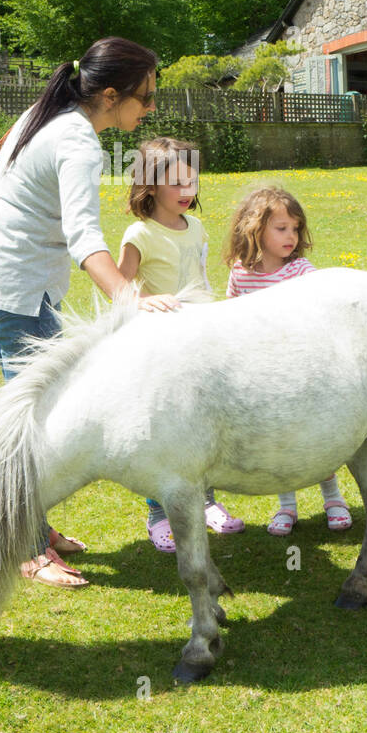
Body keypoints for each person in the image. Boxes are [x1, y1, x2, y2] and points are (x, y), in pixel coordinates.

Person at [0, 37, 176, 588]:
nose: (150, 109)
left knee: (40, 409)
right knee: (33, 424)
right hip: (11, 290)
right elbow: (85, 239)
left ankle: (35, 529)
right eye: (144, 98)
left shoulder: (48, 112)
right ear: (109, 94)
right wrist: (132, 299)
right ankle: (24, 546)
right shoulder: (78, 142)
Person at [117, 136, 245, 551]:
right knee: (166, 434)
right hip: (161, 350)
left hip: (203, 340)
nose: (188, 192)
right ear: (149, 185)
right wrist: (143, 302)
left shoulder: (198, 227)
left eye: (193, 181)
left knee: (204, 428)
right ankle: (159, 514)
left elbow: (201, 280)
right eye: (177, 183)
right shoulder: (140, 233)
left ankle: (207, 502)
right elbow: (118, 290)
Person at [224, 185, 352, 537]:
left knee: (316, 441)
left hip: (300, 372)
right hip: (263, 376)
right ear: (255, 229)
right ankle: (287, 507)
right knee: (280, 443)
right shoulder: (241, 273)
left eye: (295, 229)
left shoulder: (301, 272)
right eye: (282, 228)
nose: (291, 236)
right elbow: (230, 317)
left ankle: (334, 499)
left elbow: (321, 318)